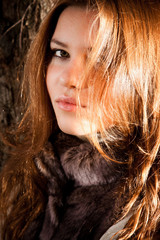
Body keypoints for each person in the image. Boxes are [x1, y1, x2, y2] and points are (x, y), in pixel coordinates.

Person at [0, 0, 160, 239]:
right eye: (61, 53)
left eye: (101, 59)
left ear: (146, 72)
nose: (71, 79)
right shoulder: (30, 177)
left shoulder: (147, 211)